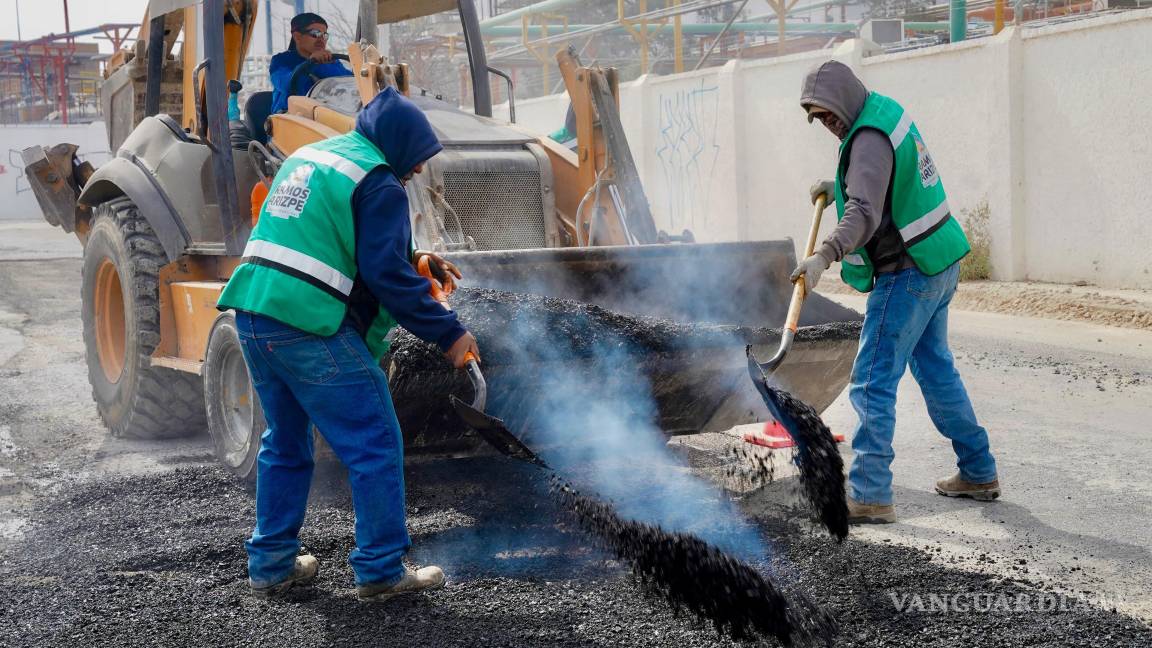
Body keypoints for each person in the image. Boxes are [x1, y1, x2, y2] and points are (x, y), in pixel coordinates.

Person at [217, 86, 481, 600]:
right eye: (420, 158)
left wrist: (414, 259)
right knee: (375, 442)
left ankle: (271, 563)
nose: (420, 170)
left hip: (253, 314)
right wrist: (449, 333)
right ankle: (381, 570)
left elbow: (332, 239)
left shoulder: (315, 155)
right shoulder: (380, 182)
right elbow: (382, 275)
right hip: (308, 324)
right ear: (400, 143)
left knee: (286, 443)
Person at [793, 60, 999, 525]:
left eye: (829, 114)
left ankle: (869, 494)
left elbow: (865, 211)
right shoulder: (882, 114)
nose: (828, 125)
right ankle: (979, 471)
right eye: (819, 120)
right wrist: (840, 188)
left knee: (871, 380)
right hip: (939, 261)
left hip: (908, 272)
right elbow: (885, 184)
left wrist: (825, 255)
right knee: (936, 370)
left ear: (845, 100)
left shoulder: (866, 140)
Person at [269, 12, 354, 113]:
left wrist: (324, 66)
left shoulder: (331, 61)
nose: (321, 39)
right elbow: (288, 85)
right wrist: (312, 63)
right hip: (289, 118)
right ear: (297, 37)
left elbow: (349, 83)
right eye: (315, 33)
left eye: (324, 35)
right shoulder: (281, 61)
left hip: (325, 116)